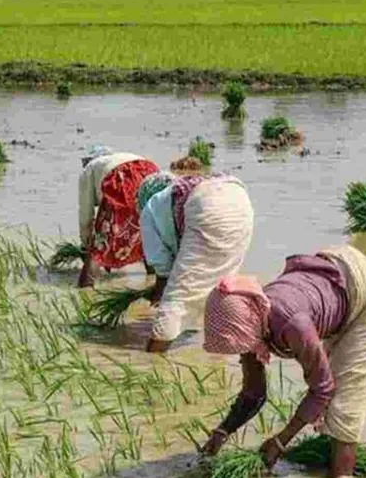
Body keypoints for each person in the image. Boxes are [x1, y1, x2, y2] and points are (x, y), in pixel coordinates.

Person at [200, 245, 366, 478]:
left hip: (365, 291)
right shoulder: (252, 321)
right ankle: (324, 465)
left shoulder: (293, 325)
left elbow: (322, 389)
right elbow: (254, 392)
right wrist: (223, 431)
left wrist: (281, 441)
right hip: (334, 272)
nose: (243, 351)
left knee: (343, 408)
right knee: (331, 397)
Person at [137, 172, 254, 352]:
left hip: (207, 204)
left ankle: (152, 361)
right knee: (222, 286)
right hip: (239, 198)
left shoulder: (149, 209)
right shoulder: (174, 195)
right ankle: (222, 353)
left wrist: (159, 292)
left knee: (176, 297)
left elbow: (162, 267)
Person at [77, 146, 159, 288]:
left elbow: (86, 213)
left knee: (100, 243)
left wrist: (86, 245)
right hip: (150, 172)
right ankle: (156, 282)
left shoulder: (89, 169)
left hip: (121, 177)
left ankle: (85, 289)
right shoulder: (120, 157)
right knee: (147, 232)